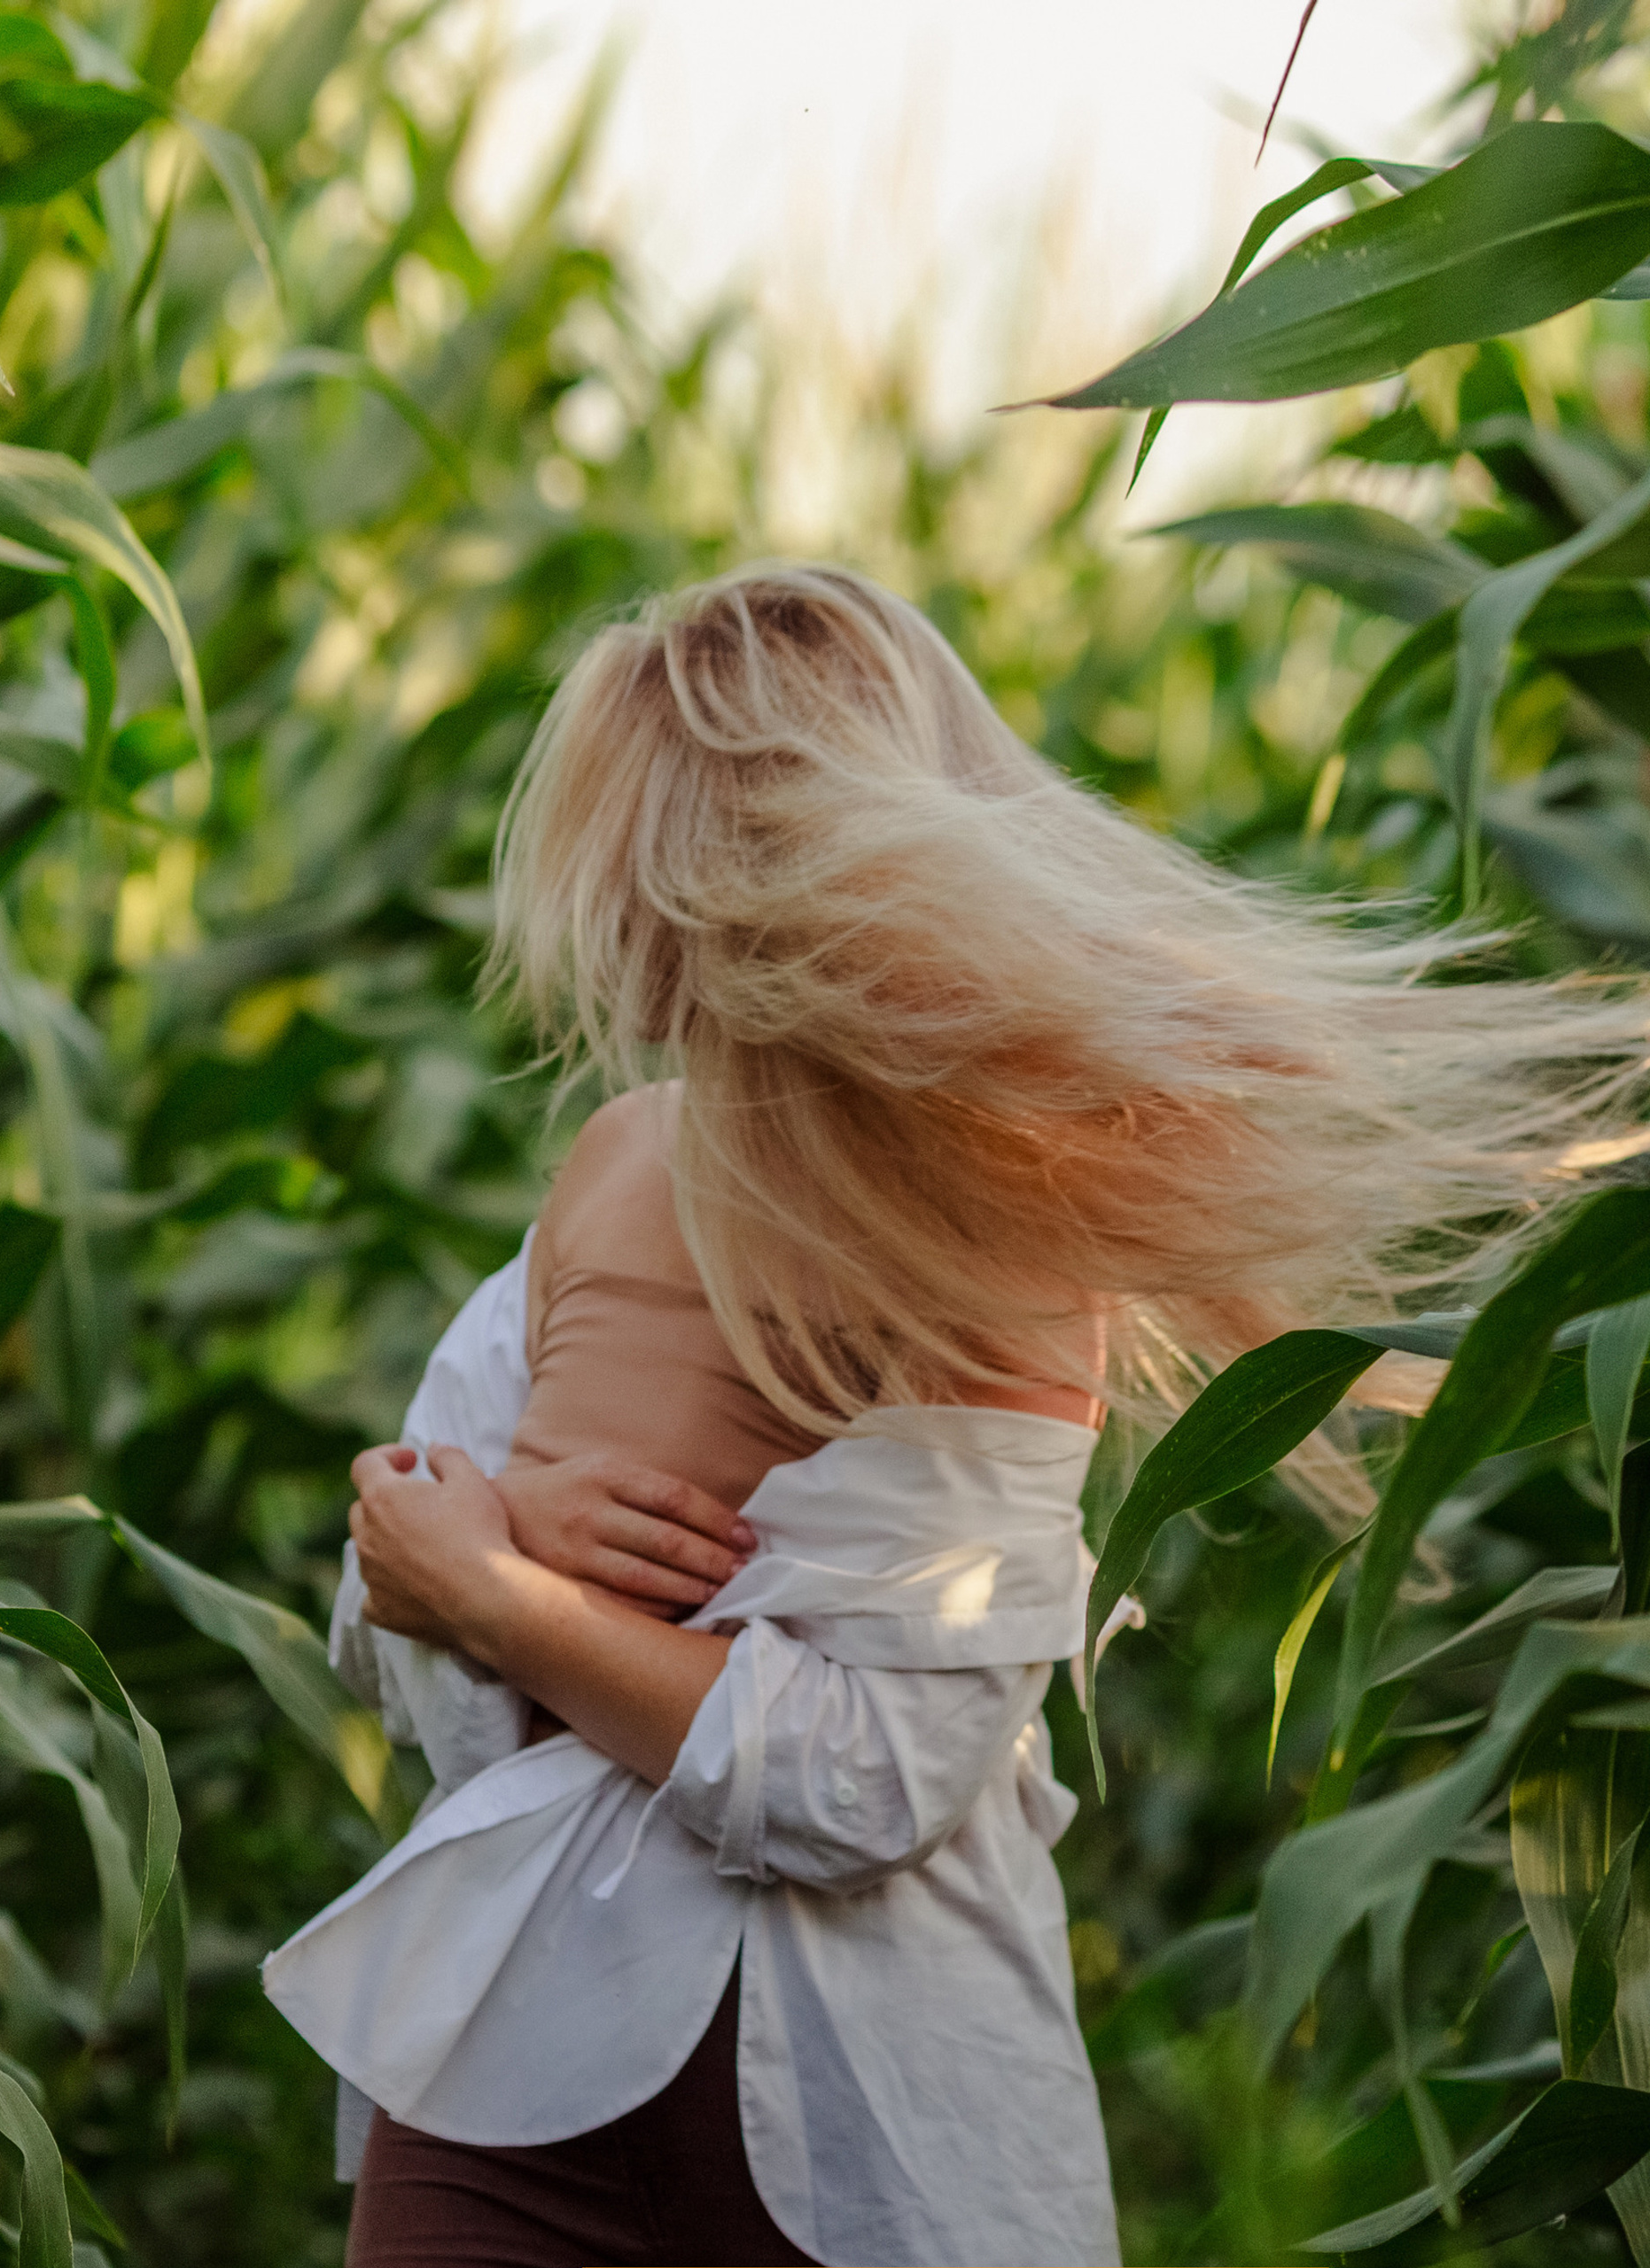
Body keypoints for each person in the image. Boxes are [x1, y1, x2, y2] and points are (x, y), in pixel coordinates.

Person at [261, 565, 1650, 2266]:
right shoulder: (614, 1161)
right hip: (499, 2085)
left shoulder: (987, 1256)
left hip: (849, 2128)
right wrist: (463, 1550)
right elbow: (387, 1579)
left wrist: (504, 1592)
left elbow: (860, 1784)